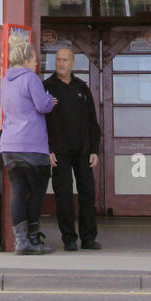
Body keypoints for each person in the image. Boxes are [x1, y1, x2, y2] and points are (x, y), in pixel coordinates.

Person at [0, 41, 57, 254]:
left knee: (18, 192)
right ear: (26, 60)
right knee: (37, 193)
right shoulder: (30, 78)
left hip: (9, 146)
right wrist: (51, 99)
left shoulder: (6, 80)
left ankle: (21, 241)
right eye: (34, 59)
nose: (36, 63)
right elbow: (42, 105)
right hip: (32, 145)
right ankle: (33, 240)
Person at [45, 45, 102, 250]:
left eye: (65, 60)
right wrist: (47, 149)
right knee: (64, 196)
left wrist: (95, 150)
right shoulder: (47, 86)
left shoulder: (82, 87)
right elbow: (40, 123)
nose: (61, 63)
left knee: (87, 193)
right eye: (58, 60)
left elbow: (92, 122)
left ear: (73, 63)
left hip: (83, 151)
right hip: (59, 152)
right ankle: (69, 239)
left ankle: (88, 238)